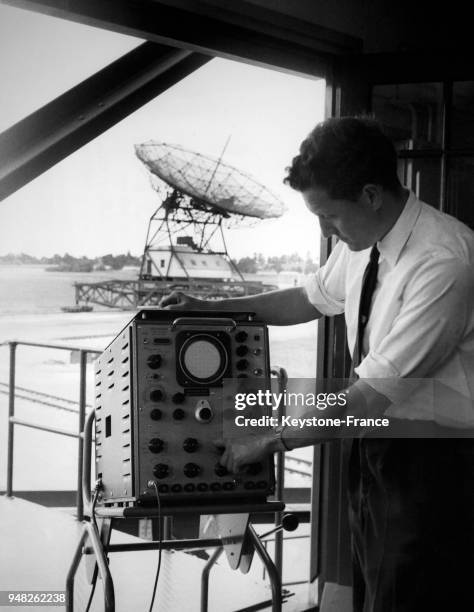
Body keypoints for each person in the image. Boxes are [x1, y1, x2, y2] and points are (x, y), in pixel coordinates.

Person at [160, 117, 474, 612]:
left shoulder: (443, 262)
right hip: (373, 455)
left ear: (371, 195)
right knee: (375, 591)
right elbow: (309, 299)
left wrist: (270, 441)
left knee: (413, 595)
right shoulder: (364, 241)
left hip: (432, 464)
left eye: (329, 216)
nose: (324, 231)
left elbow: (369, 396)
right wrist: (209, 309)